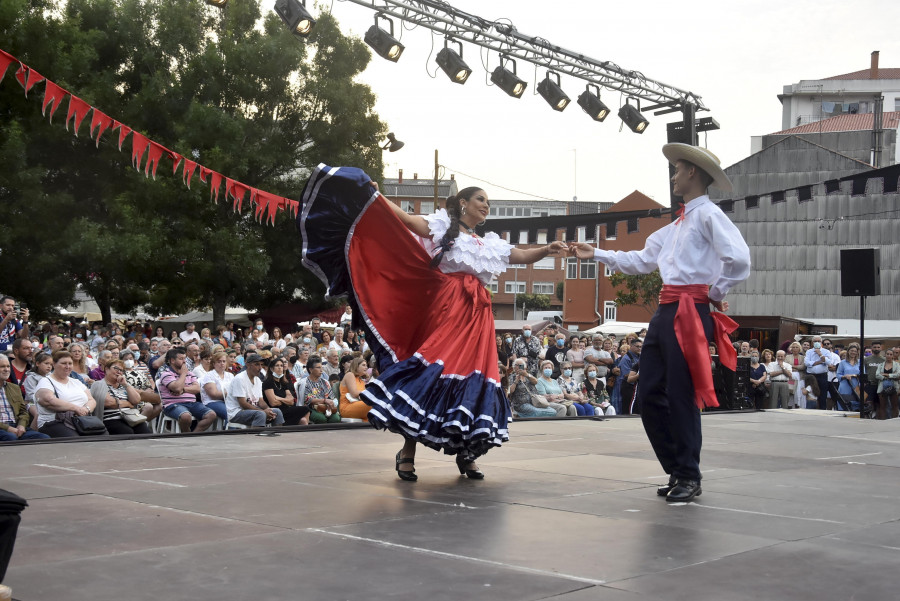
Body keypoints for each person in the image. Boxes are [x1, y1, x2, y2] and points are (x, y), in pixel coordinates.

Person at [298, 169, 567, 481]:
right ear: (463, 203)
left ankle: (467, 455)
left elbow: (520, 254)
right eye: (481, 199)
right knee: (429, 378)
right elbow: (409, 222)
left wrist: (547, 250)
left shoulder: (489, 243)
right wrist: (379, 198)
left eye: (488, 202)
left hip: (477, 320)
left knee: (473, 383)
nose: (486, 205)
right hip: (446, 312)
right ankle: (407, 452)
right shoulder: (444, 227)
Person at [570, 143, 750, 502]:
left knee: (681, 394)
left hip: (689, 308)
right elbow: (641, 259)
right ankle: (677, 468)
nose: (673, 175)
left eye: (678, 169)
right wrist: (599, 253)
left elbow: (739, 258)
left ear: (693, 173)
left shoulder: (709, 215)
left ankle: (688, 473)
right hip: (667, 310)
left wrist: (715, 291)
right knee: (648, 393)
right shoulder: (679, 223)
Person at [34, 350, 98, 438]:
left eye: (70, 363)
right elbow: (48, 400)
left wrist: (85, 409)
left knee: (102, 438)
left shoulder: (76, 382)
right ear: (54, 364)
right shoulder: (46, 381)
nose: (67, 366)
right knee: (77, 442)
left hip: (81, 420)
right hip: (55, 422)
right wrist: (76, 408)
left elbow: (91, 400)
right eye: (64, 363)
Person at [159, 348, 216, 433]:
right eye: (181, 359)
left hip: (192, 403)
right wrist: (183, 374)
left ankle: (193, 435)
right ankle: (186, 433)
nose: (184, 361)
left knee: (211, 415)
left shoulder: (190, 374)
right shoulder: (166, 374)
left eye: (185, 358)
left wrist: (184, 390)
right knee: (185, 416)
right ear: (172, 360)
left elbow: (197, 389)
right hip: (173, 405)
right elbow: (177, 388)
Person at [90, 359, 151, 435]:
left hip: (130, 418)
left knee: (145, 432)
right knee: (127, 433)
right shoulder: (98, 384)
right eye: (116, 368)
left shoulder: (123, 386)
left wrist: (126, 384)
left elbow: (136, 400)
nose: (119, 372)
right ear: (107, 369)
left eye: (121, 370)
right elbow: (109, 402)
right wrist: (128, 404)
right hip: (110, 419)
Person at [225, 353, 284, 427]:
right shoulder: (239, 379)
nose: (260, 368)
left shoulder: (257, 380)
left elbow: (261, 401)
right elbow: (243, 404)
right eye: (257, 364)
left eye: (261, 365)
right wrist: (263, 411)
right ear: (248, 365)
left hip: (251, 410)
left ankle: (277, 436)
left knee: (277, 412)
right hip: (236, 413)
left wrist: (268, 410)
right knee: (261, 414)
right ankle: (256, 437)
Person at [0, 355, 50, 441]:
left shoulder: (14, 388)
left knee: (44, 438)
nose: (6, 369)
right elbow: (31, 399)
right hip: (3, 428)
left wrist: (22, 425)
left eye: (8, 366)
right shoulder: (30, 378)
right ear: (37, 364)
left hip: (17, 426)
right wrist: (8, 428)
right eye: (2, 367)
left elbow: (23, 411)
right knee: (11, 438)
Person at [296, 355, 340, 424]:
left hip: (325, 407)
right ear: (310, 369)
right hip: (311, 408)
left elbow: (331, 396)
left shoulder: (325, 382)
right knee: (321, 419)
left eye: (321, 367)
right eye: (318, 367)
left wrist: (331, 402)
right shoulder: (304, 383)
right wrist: (325, 400)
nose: (321, 370)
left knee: (336, 418)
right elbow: (308, 399)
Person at [339, 357, 371, 421]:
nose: (366, 367)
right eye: (363, 365)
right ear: (356, 366)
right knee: (374, 403)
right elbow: (354, 393)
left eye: (366, 365)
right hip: (347, 406)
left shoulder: (362, 381)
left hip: (358, 404)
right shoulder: (349, 375)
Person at [875, 348, 899, 419]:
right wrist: (891, 376)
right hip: (882, 387)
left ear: (893, 355)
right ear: (885, 355)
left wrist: (887, 375)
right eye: (887, 354)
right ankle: (883, 421)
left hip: (894, 387)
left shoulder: (897, 365)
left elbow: (898, 374)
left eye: (890, 354)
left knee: (894, 405)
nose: (889, 356)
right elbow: (877, 375)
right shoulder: (881, 365)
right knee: (883, 406)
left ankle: (895, 420)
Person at [836, 344, 861, 411]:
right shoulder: (843, 363)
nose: (853, 352)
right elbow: (838, 375)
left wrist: (853, 375)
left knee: (855, 404)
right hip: (845, 385)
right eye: (851, 351)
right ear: (848, 351)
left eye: (855, 351)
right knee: (844, 404)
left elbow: (862, 374)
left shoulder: (860, 362)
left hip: (856, 385)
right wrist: (845, 376)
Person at [787, 341, 806, 409]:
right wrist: (798, 367)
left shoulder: (802, 357)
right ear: (791, 348)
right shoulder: (787, 357)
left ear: (799, 348)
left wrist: (792, 366)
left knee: (799, 394)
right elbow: (786, 366)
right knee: (791, 393)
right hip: (790, 378)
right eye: (793, 347)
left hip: (800, 378)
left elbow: (803, 367)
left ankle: (798, 407)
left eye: (797, 347)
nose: (795, 349)